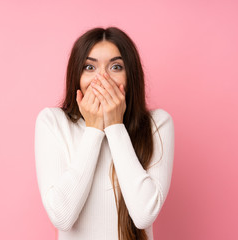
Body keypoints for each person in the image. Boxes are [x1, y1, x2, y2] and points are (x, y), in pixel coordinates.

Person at [34, 26, 175, 240]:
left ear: (131, 76)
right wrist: (94, 129)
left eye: (116, 67)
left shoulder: (157, 123)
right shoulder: (53, 122)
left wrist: (114, 125)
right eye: (89, 67)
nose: (102, 79)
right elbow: (62, 217)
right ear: (77, 76)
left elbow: (144, 215)